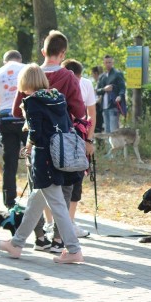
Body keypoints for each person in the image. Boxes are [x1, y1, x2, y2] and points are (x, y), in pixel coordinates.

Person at [0, 64, 85, 263]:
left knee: (57, 206)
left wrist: (29, 145)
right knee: (35, 203)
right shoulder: (57, 97)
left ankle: (73, 249)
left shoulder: (32, 102)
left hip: (44, 160)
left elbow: (36, 133)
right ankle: (16, 244)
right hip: (59, 157)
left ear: (25, 82)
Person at [12, 30, 88, 255]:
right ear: (63, 53)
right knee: (60, 191)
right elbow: (80, 111)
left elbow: (17, 110)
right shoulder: (67, 77)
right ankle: (59, 241)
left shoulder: (30, 75)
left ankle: (37, 238)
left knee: (37, 188)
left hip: (36, 144)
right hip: (63, 144)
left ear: (43, 51)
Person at [0, 50, 27, 208]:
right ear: (20, 59)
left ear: (4, 61)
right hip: (25, 118)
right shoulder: (27, 68)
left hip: (6, 120)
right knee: (35, 159)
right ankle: (40, 198)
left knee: (10, 164)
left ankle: (9, 202)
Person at [63, 58, 97, 238]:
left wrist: (89, 140)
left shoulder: (86, 84)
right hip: (61, 139)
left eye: (78, 79)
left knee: (77, 181)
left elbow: (92, 114)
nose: (76, 82)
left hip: (80, 137)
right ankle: (54, 223)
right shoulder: (57, 81)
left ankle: (70, 221)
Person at [96, 55, 125, 133]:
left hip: (113, 106)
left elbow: (122, 88)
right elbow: (97, 91)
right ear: (104, 63)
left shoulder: (118, 74)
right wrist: (104, 89)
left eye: (109, 62)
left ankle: (115, 146)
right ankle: (110, 145)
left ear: (113, 63)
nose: (108, 64)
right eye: (106, 62)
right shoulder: (102, 76)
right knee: (107, 131)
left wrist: (120, 96)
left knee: (113, 131)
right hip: (104, 108)